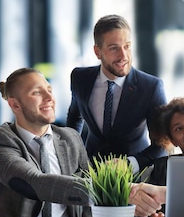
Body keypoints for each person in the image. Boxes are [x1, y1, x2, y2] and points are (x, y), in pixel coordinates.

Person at [0, 67, 162, 217]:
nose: (49, 97)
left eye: (49, 90)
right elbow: (34, 182)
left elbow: (87, 202)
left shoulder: (70, 138)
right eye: (36, 92)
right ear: (15, 105)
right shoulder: (0, 142)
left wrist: (132, 211)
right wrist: (122, 191)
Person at [66, 14, 167, 173]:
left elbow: (162, 144)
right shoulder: (80, 78)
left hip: (135, 178)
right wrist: (72, 157)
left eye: (127, 46)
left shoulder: (151, 87)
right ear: (97, 52)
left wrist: (130, 164)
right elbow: (74, 118)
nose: (123, 56)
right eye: (114, 48)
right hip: (89, 173)